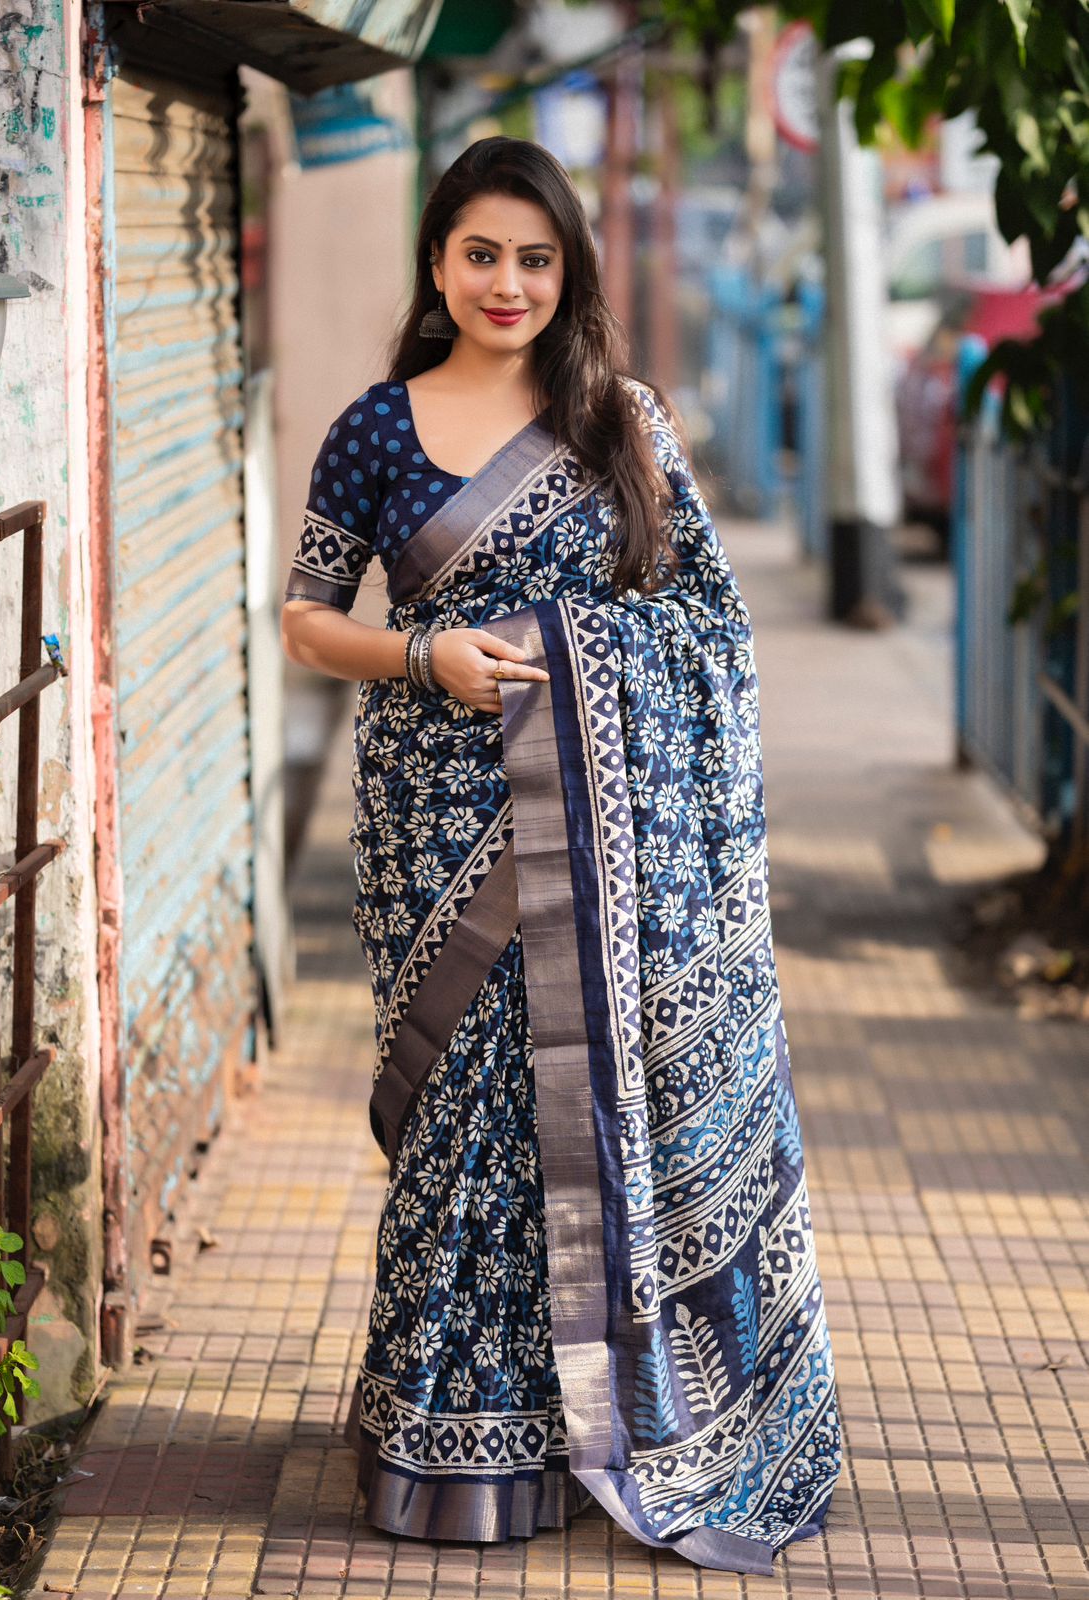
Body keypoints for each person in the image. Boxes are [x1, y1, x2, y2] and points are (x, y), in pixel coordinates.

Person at [280, 135, 841, 1576]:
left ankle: (595, 1421)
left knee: (568, 1125)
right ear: (435, 262)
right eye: (480, 253)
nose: (507, 283)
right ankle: (447, 1445)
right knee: (464, 1121)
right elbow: (303, 622)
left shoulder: (617, 420)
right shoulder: (375, 428)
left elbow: (709, 628)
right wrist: (424, 656)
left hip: (607, 846)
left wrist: (559, 658)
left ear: (568, 270)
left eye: (536, 258)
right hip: (431, 820)